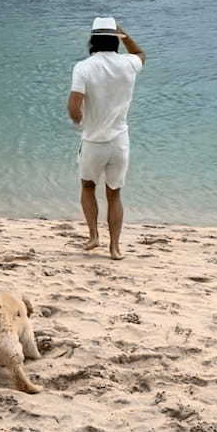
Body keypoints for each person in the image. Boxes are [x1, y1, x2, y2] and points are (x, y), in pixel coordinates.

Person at [67, 17, 145, 260]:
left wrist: (79, 122)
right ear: (116, 40)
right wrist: (126, 34)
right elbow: (141, 53)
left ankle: (93, 236)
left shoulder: (84, 67)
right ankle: (115, 247)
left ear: (92, 40)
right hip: (119, 141)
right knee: (115, 193)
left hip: (93, 141)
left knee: (88, 186)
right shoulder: (129, 64)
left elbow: (74, 105)